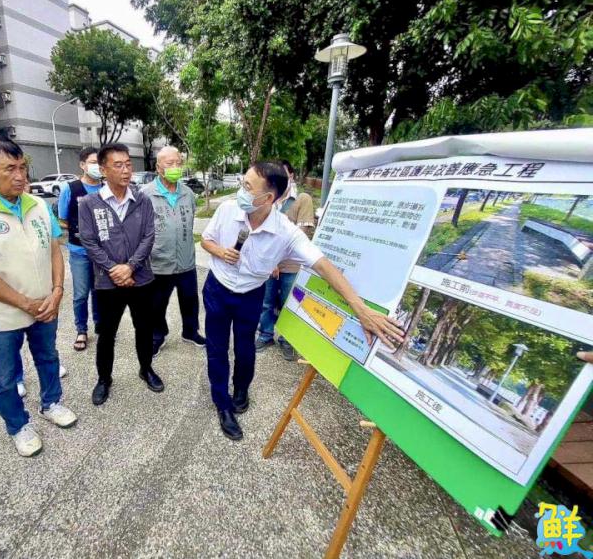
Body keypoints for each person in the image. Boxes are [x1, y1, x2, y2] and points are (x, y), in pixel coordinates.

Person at [201, 162, 404, 440]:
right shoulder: (227, 210)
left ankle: (241, 390)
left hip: (251, 294)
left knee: (245, 347)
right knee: (216, 348)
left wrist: (360, 308)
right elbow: (206, 240)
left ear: (268, 198)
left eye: (247, 187)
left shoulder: (285, 232)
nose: (241, 191)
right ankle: (222, 405)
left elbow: (322, 265)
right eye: (243, 183)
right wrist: (220, 252)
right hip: (218, 289)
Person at [0, 135, 77, 458]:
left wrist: (58, 291)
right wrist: (25, 303)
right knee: (4, 377)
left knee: (48, 358)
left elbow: (54, 249)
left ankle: (51, 402)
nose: (20, 176)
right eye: (10, 169)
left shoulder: (37, 205)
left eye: (22, 167)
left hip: (45, 306)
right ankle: (18, 425)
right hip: (0, 316)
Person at [78, 142, 164, 405]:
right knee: (107, 333)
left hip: (141, 278)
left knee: (144, 328)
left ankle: (146, 369)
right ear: (103, 170)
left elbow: (149, 236)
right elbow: (89, 241)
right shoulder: (89, 204)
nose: (126, 170)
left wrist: (131, 266)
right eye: (118, 165)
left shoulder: (142, 200)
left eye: (128, 164)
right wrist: (113, 269)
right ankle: (104, 379)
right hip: (108, 282)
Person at [142, 146, 206, 357]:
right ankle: (157, 336)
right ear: (158, 167)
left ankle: (190, 331)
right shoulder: (145, 194)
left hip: (186, 260)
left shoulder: (188, 193)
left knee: (190, 300)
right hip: (158, 262)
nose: (175, 167)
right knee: (156, 304)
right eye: (170, 163)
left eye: (179, 163)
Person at [256, 160, 315, 361]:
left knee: (290, 304)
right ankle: (265, 334)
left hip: (292, 266)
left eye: (284, 173)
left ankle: (287, 340)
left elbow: (303, 234)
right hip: (269, 264)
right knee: (266, 302)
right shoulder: (270, 199)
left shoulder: (302, 199)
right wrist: (271, 261)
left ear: (291, 175)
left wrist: (277, 256)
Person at [57, 147, 102, 352]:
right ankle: (81, 330)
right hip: (79, 252)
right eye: (93, 162)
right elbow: (63, 220)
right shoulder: (70, 189)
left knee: (100, 291)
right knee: (81, 294)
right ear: (82, 165)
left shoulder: (106, 188)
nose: (97, 166)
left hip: (102, 252)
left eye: (100, 162)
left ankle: (100, 325)